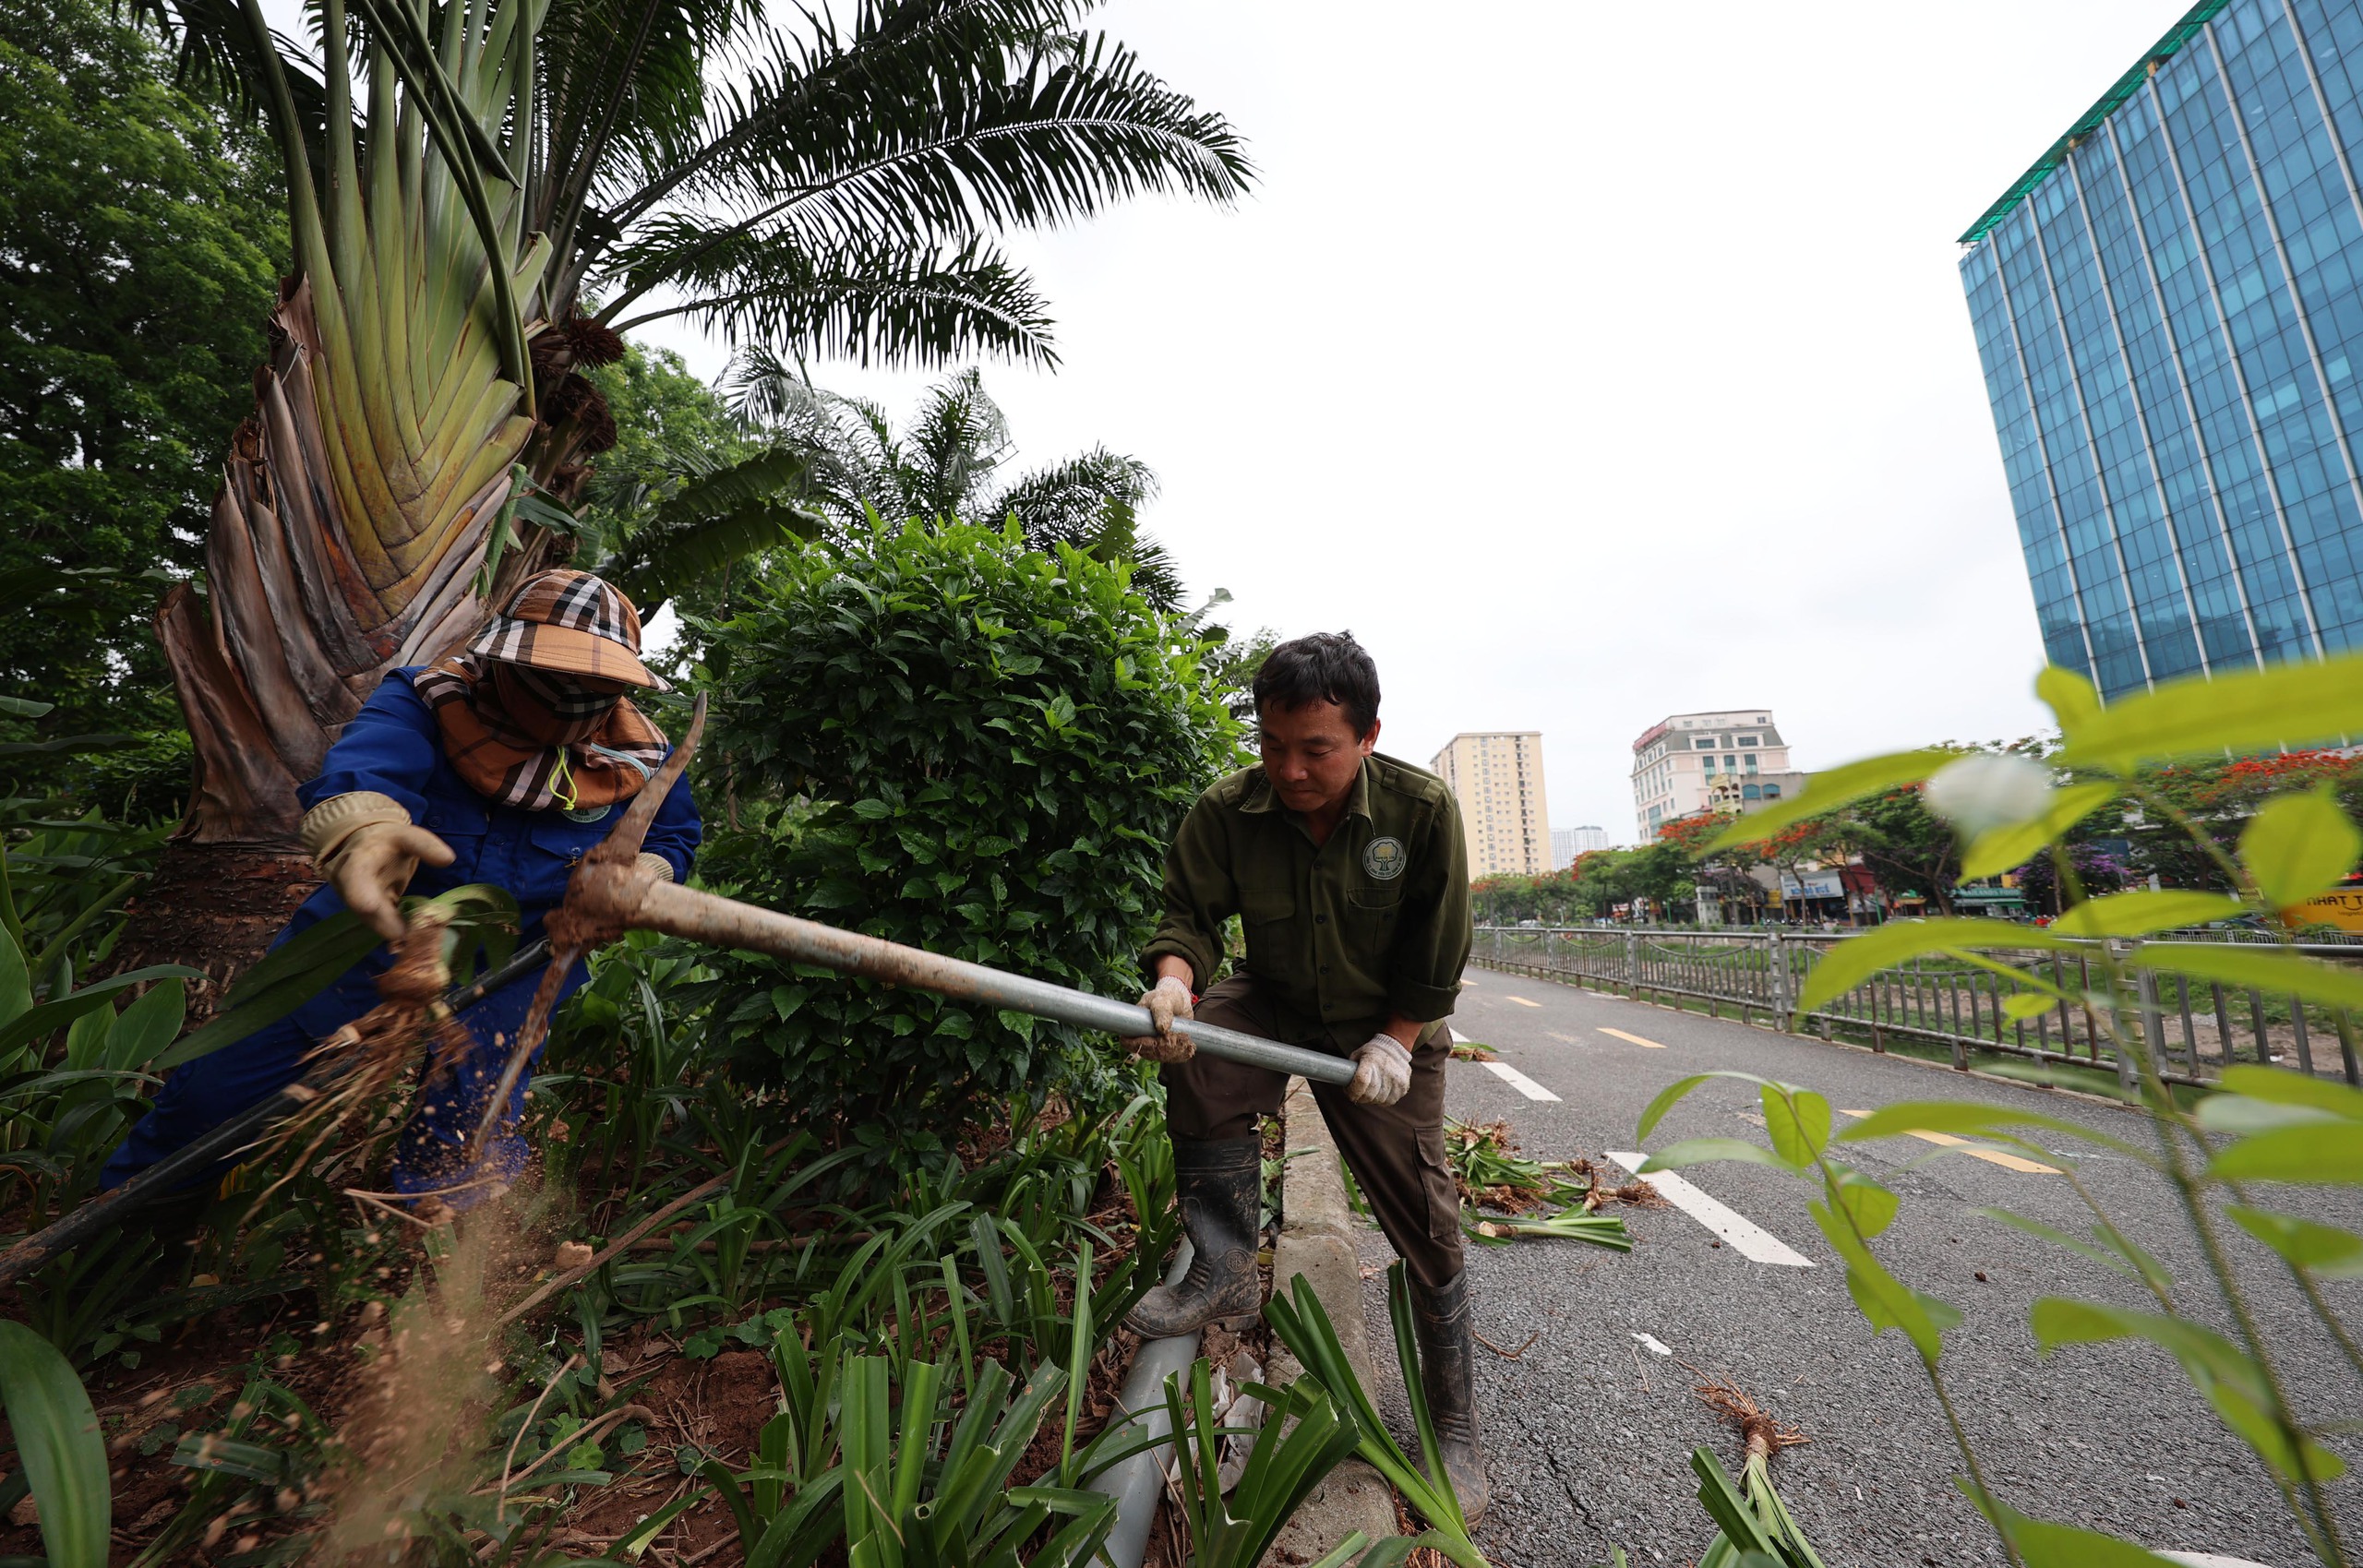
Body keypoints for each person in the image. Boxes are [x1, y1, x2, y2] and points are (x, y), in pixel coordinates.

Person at [104, 569, 702, 1208]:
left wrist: (647, 876)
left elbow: (673, 837)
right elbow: (370, 768)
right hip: (374, 932)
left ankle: (430, 1262)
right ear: (499, 656)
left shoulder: (645, 756)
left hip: (520, 957)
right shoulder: (426, 699)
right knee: (220, 1093)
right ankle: (131, 1223)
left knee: (468, 1125)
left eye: (590, 684)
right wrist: (362, 829)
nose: (568, 696)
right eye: (549, 675)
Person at [1122, 631, 1486, 1516]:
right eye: (1272, 745)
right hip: (1279, 998)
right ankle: (1222, 1263)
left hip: (1381, 1026)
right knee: (1199, 1049)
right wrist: (1174, 986)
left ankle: (1455, 1426)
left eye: (1315, 749)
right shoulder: (1228, 810)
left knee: (1425, 1215)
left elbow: (1440, 948)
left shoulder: (1422, 810)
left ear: (1365, 736)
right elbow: (1190, 917)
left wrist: (1398, 1039)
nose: (1289, 770)